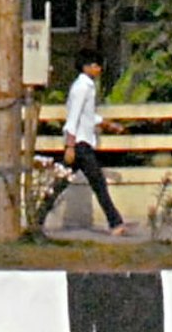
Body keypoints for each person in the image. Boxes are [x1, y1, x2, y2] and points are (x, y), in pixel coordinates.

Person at [48, 55, 125, 234]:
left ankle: (36, 217)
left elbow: (87, 116)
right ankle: (115, 223)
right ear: (86, 67)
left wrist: (107, 124)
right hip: (80, 144)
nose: (98, 69)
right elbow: (73, 117)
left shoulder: (86, 86)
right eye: (95, 65)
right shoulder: (82, 87)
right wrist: (70, 146)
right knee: (98, 184)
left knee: (61, 182)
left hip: (82, 143)